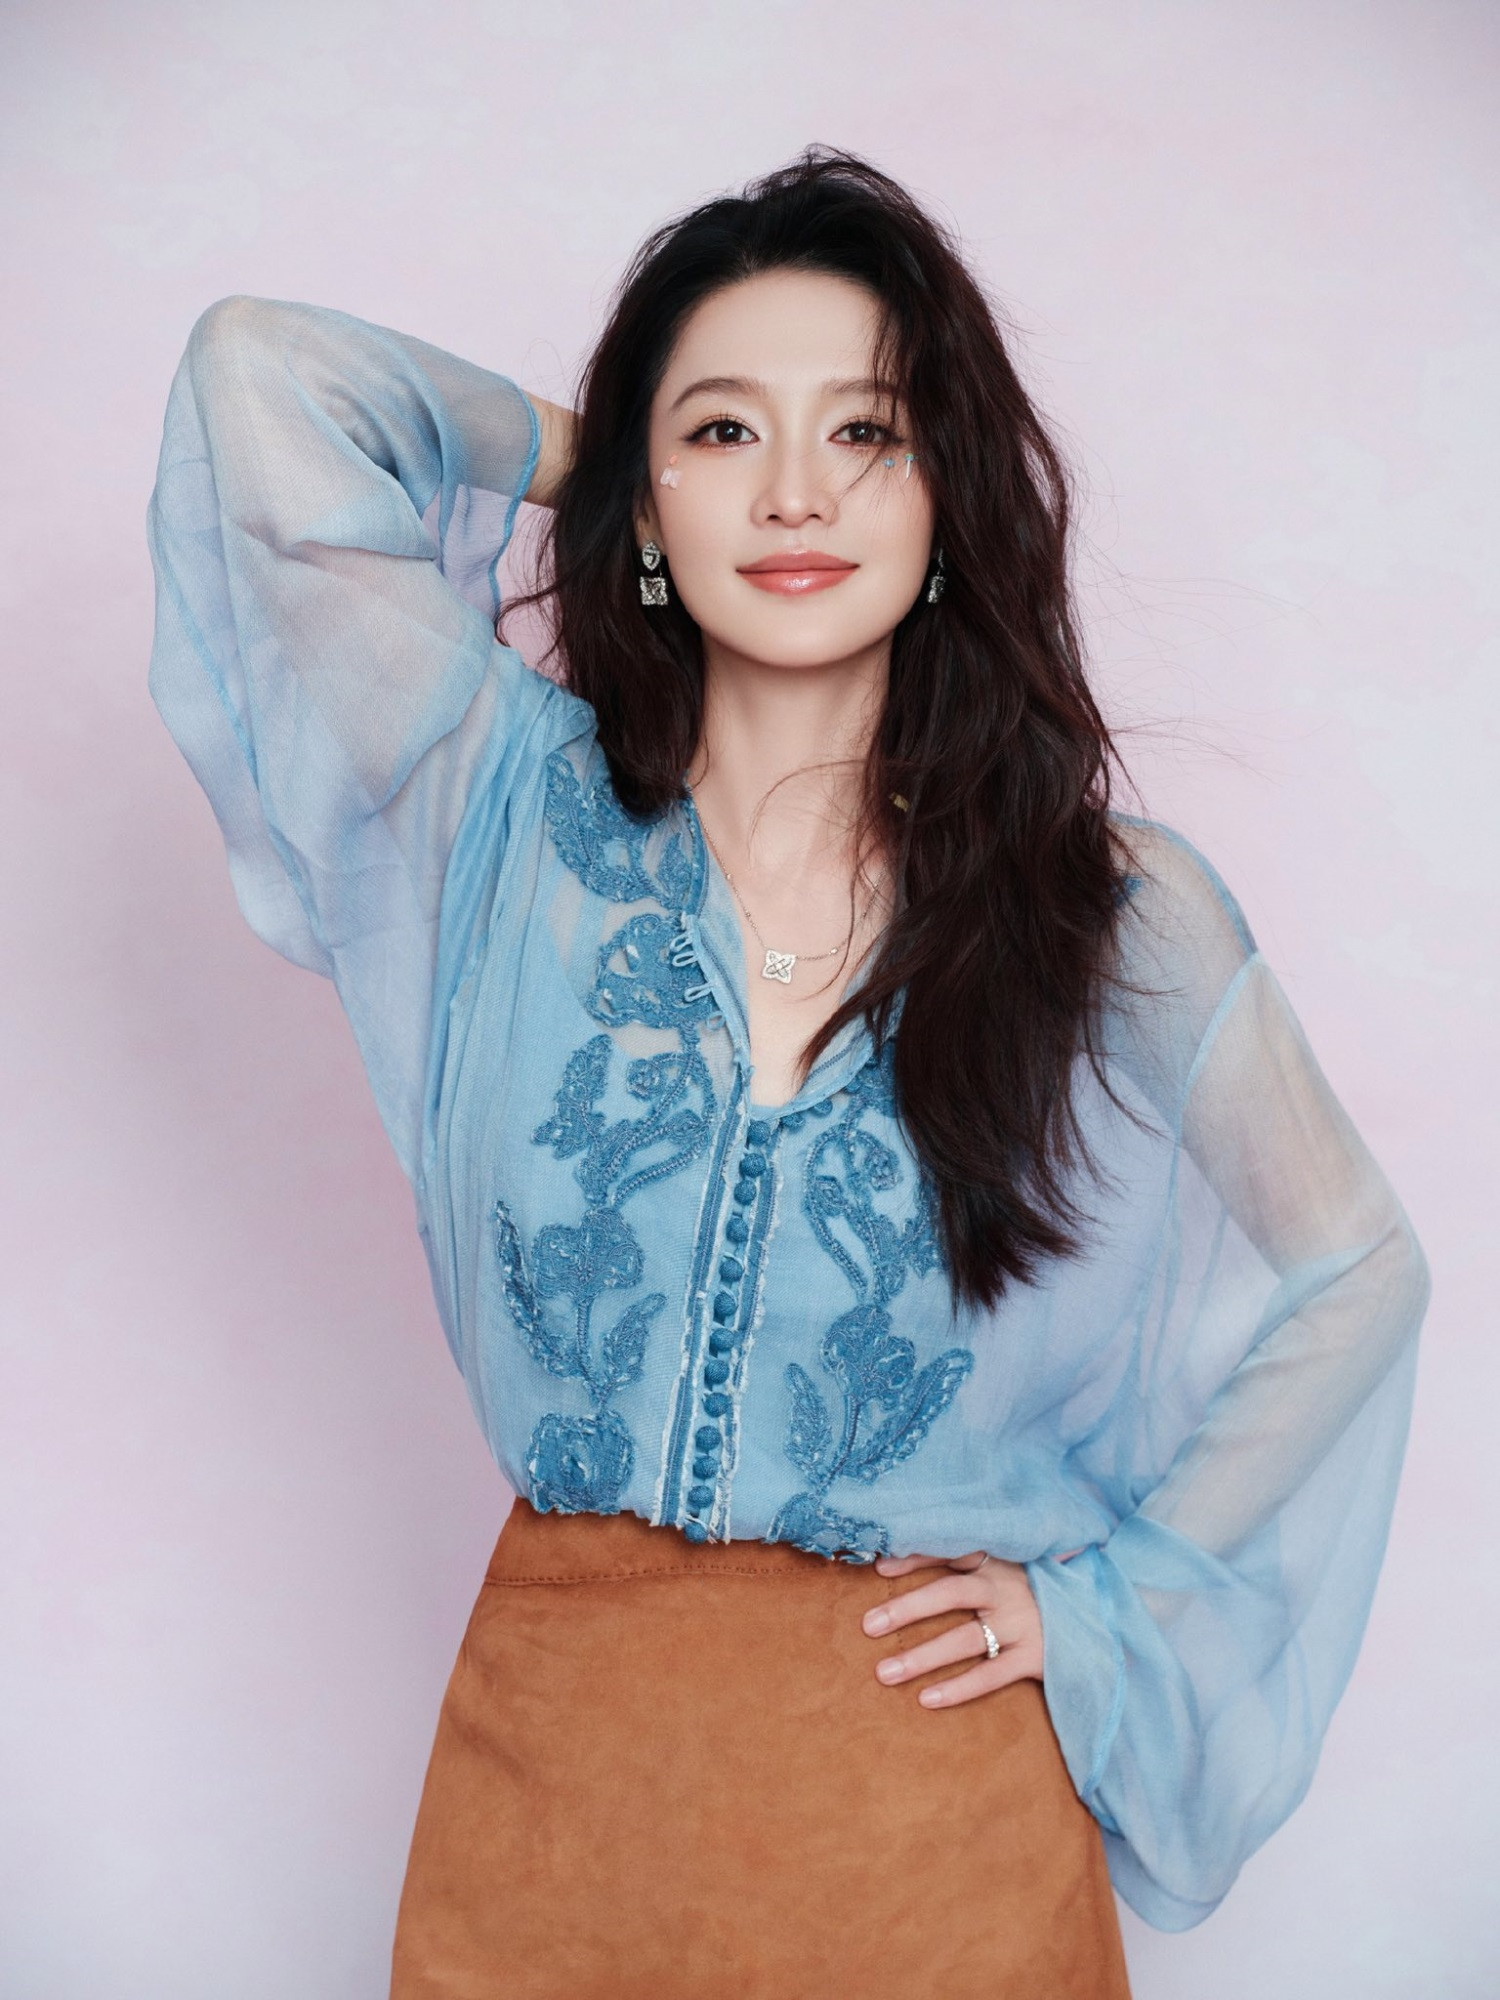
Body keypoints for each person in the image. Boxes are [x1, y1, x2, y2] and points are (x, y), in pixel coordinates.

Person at [146, 148, 1429, 1998]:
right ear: (649, 494)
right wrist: (604, 468)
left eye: (868, 435)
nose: (799, 493)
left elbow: (1355, 1269)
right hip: (553, 1788)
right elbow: (258, 382)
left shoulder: (1100, 908)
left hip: (933, 1824)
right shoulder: (502, 813)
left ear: (947, 492)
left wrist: (1107, 1610)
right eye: (728, 431)